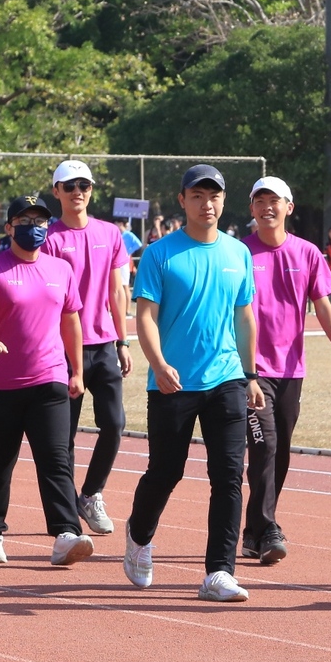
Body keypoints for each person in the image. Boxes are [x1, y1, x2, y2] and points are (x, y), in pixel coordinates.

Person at [122, 164, 266, 603]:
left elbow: (245, 317)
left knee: (228, 476)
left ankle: (219, 572)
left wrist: (251, 374)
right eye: (198, 196)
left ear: (224, 202)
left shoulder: (238, 253)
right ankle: (139, 535)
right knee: (166, 471)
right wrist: (159, 363)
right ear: (182, 200)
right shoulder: (161, 254)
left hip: (226, 380)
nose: (207, 204)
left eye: (215, 196)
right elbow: (144, 315)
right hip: (172, 382)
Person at [0, 195, 94, 566]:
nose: (34, 227)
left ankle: (66, 532)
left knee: (56, 459)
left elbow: (71, 320)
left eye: (40, 221)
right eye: (24, 220)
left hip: (49, 380)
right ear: (9, 227)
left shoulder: (60, 269)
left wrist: (77, 370)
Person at [240, 176, 331, 566]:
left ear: (289, 208)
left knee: (281, 450)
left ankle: (254, 530)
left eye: (275, 200)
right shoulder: (240, 254)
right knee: (264, 445)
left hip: (291, 370)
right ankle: (269, 527)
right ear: (252, 209)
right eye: (260, 201)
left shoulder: (307, 253)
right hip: (250, 370)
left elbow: (322, 304)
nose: (267, 207)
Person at [44, 159, 132, 537]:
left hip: (104, 344)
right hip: (63, 350)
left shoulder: (110, 234)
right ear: (56, 192)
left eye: (85, 185)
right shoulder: (50, 238)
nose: (78, 191)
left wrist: (124, 340)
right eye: (69, 186)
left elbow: (117, 290)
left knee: (114, 424)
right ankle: (66, 517)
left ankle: (91, 494)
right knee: (63, 437)